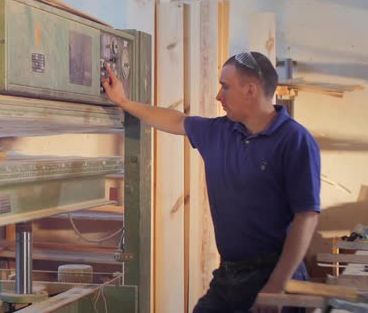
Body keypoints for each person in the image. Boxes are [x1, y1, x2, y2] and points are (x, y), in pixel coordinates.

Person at [101, 52, 320, 313]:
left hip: (277, 275)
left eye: (225, 86)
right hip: (231, 274)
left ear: (250, 90)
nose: (219, 96)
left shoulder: (294, 140)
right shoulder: (220, 131)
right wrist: (123, 102)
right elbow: (175, 120)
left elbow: (306, 217)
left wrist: (276, 285)